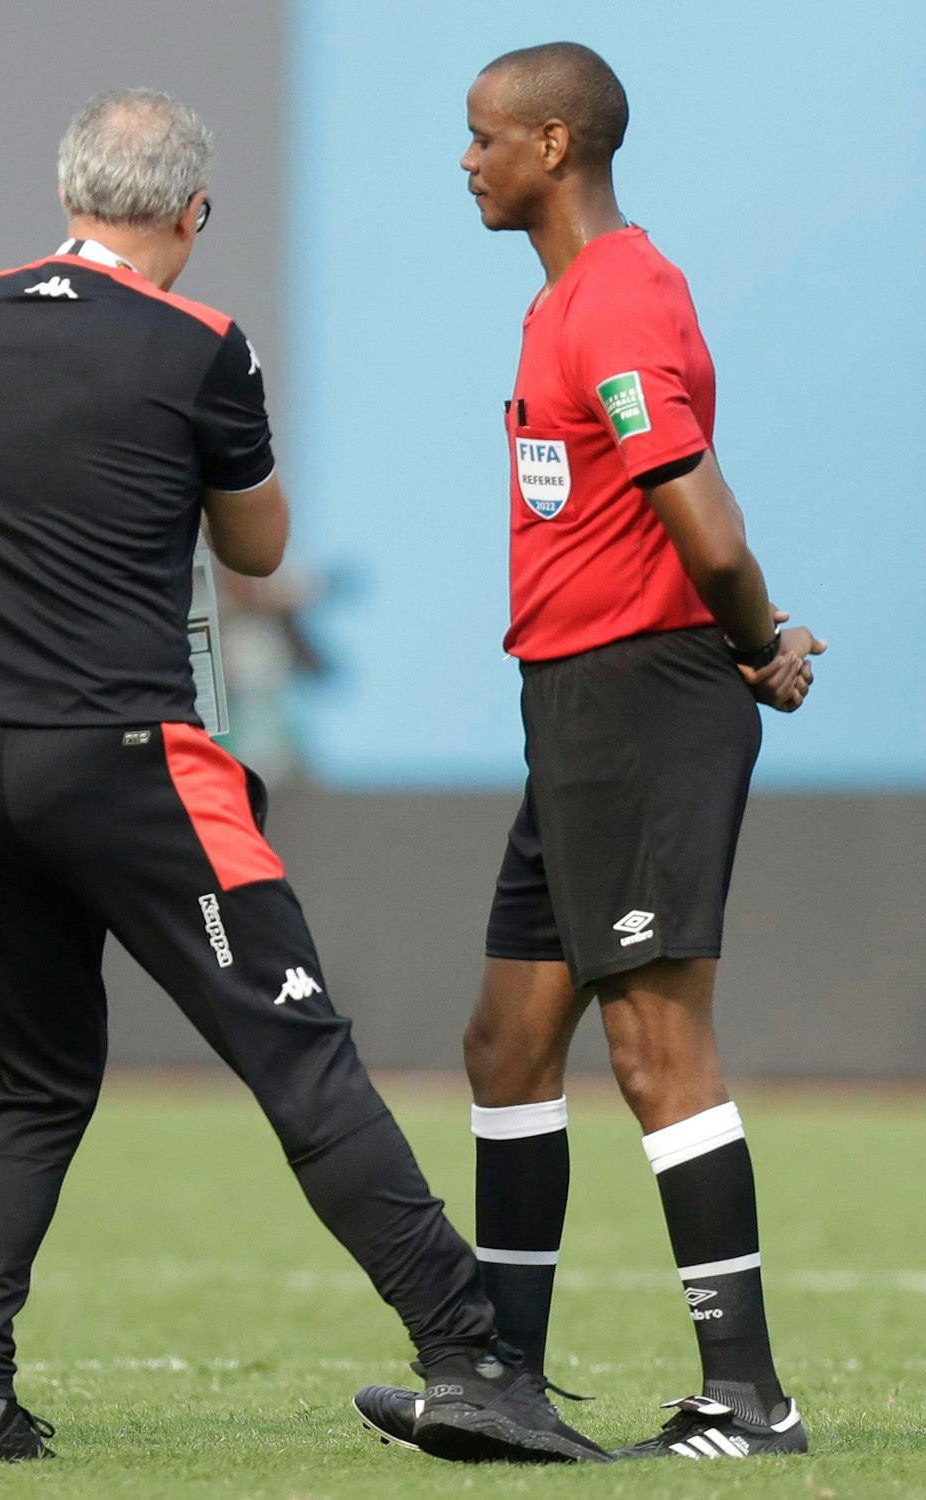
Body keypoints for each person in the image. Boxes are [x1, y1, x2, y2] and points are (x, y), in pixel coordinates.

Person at [0, 88, 606, 1468]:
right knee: (304, 1059)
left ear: (68, 189)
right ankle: (470, 1359)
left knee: (29, 1088)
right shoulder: (203, 344)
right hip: (122, 756)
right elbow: (260, 549)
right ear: (194, 214)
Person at [352, 43, 822, 1463]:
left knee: (654, 1043)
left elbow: (709, 526)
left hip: (643, 703)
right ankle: (501, 1381)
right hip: (574, 710)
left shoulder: (616, 299)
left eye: (485, 137)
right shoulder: (568, 299)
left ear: (555, 145)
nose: (466, 159)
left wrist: (759, 641)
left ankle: (749, 1400)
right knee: (507, 1042)